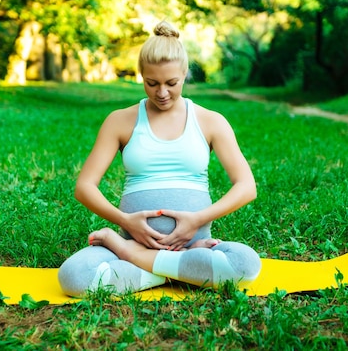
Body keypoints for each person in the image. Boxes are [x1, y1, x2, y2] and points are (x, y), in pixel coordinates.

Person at [58, 20, 261, 296]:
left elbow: (246, 187)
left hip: (194, 244)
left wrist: (197, 219)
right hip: (145, 241)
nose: (162, 93)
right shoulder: (120, 121)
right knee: (73, 277)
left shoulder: (211, 121)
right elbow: (84, 187)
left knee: (246, 264)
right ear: (141, 75)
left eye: (172, 83)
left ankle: (131, 255)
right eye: (151, 83)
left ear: (185, 74)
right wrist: (124, 221)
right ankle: (179, 271)